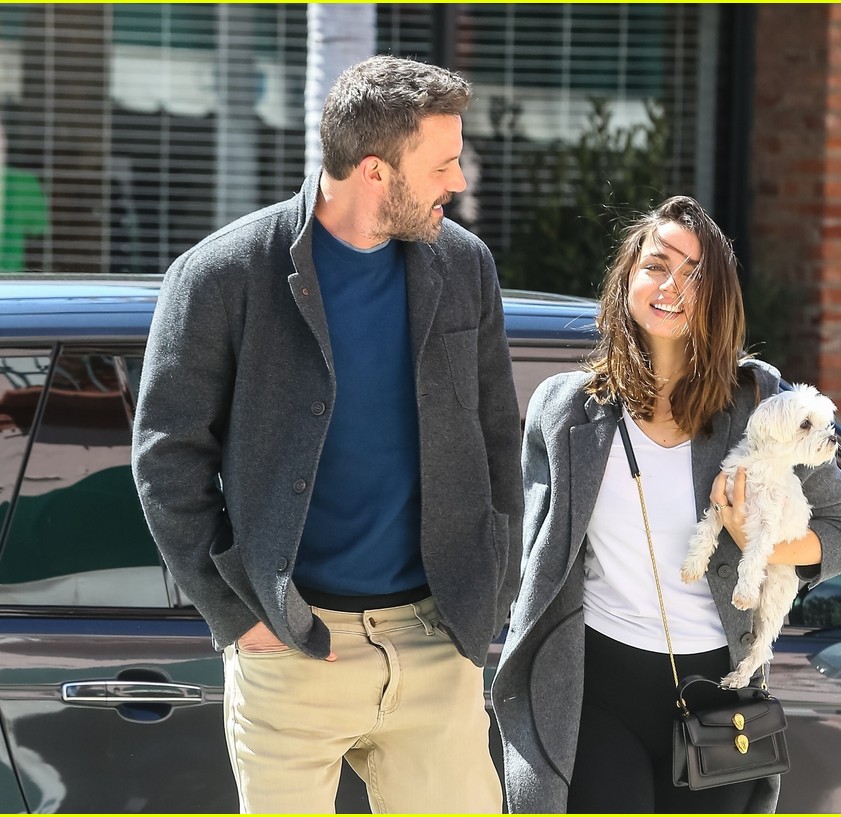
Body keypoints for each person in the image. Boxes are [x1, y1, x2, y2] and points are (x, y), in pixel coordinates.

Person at [131, 55, 521, 814]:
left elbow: (497, 435)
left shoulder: (465, 265)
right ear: (376, 171)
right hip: (292, 644)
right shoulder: (221, 275)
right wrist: (236, 613)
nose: (460, 181)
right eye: (443, 164)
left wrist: (491, 588)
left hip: (439, 639)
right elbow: (166, 458)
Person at [493, 196, 841, 813]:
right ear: (628, 278)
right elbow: (524, 555)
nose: (672, 285)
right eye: (657, 264)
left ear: (717, 298)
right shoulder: (565, 410)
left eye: (695, 274)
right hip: (594, 687)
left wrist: (762, 541)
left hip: (715, 693)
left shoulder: (757, 401)